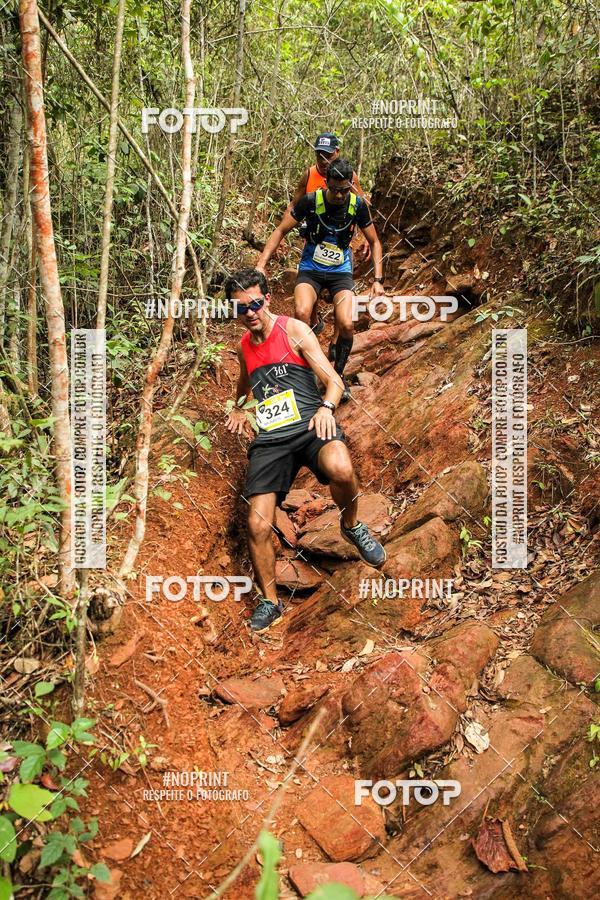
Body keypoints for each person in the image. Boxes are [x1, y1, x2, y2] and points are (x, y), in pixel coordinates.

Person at [224, 267, 386, 633]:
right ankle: (270, 602)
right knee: (256, 523)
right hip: (270, 440)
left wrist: (327, 407)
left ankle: (352, 526)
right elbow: (245, 380)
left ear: (267, 298)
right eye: (240, 309)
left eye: (255, 303)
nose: (249, 312)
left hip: (311, 425)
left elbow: (333, 380)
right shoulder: (244, 347)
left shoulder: (293, 330)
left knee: (341, 469)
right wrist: (237, 406)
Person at [256, 158, 385, 401]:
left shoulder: (357, 206)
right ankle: (305, 374)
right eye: (334, 189)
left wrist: (378, 279)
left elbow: (375, 241)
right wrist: (261, 264)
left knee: (346, 324)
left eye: (344, 190)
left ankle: (337, 375)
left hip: (340, 271)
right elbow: (280, 230)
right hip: (311, 268)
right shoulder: (310, 202)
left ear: (351, 186)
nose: (339, 195)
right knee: (302, 313)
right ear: (327, 183)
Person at [287, 133, 371, 339]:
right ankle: (313, 327)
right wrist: (283, 231)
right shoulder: (308, 175)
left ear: (337, 153)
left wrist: (368, 238)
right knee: (308, 297)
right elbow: (294, 204)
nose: (323, 161)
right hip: (313, 241)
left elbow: (361, 206)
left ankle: (336, 337)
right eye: (320, 156)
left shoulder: (350, 177)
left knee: (340, 296)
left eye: (328, 155)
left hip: (341, 243)